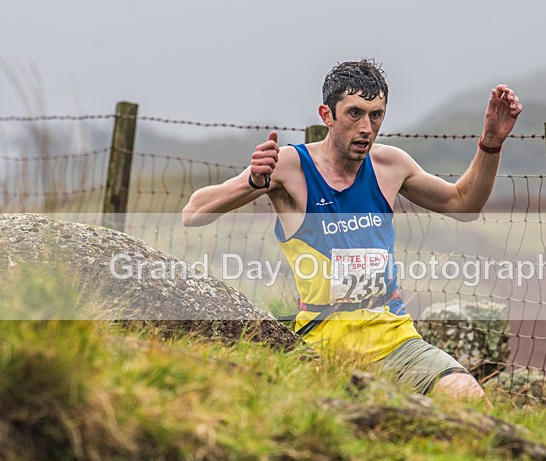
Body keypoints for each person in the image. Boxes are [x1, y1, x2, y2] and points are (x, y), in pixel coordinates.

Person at [183, 59, 522, 407]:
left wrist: (491, 143)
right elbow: (192, 213)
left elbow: (464, 205)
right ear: (327, 115)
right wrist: (254, 181)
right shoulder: (290, 166)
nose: (366, 127)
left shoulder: (391, 165)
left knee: (472, 402)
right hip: (322, 344)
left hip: (395, 340)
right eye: (354, 113)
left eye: (376, 115)